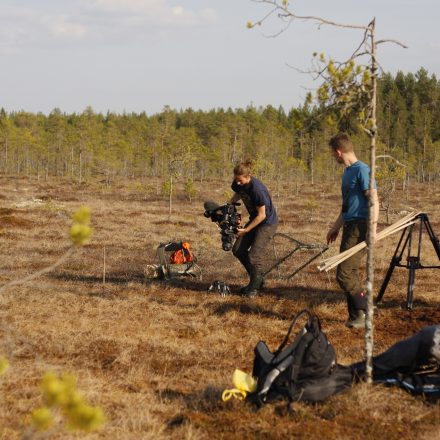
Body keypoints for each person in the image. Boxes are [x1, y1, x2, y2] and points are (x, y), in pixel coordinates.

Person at [326, 133, 379, 329]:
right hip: (350, 225)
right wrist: (335, 227)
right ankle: (357, 316)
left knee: (344, 274)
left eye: (333, 153)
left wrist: (372, 229)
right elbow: (347, 205)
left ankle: (366, 309)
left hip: (361, 226)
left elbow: (374, 199)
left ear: (338, 152)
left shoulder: (362, 170)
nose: (334, 157)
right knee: (352, 273)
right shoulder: (348, 172)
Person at [230, 160, 278, 297]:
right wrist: (229, 205)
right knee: (238, 250)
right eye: (236, 180)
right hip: (254, 220)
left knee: (254, 256)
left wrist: (246, 230)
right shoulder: (238, 183)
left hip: (267, 223)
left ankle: (255, 288)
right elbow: (238, 193)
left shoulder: (258, 190)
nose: (237, 183)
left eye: (240, 181)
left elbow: (262, 215)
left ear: (248, 176)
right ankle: (256, 280)